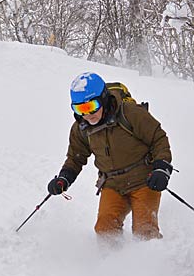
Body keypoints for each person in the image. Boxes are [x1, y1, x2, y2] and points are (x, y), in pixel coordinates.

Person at [48, 72, 173, 241]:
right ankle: (112, 263)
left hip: (144, 181)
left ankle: (158, 261)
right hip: (113, 184)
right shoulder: (81, 129)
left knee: (144, 231)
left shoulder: (130, 113)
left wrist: (161, 168)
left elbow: (158, 138)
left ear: (104, 99)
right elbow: (75, 158)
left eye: (91, 106)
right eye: (80, 109)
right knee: (104, 229)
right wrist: (64, 179)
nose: (88, 114)